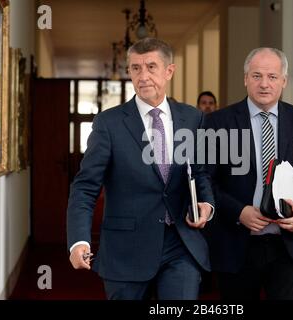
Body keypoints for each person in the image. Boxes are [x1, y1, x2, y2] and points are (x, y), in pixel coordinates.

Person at [67, 37, 215, 300]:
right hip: (126, 249)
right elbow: (85, 187)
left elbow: (200, 172)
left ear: (169, 71)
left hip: (181, 244)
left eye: (151, 67)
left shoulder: (192, 118)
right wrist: (79, 240)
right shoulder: (108, 123)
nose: (143, 76)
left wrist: (206, 204)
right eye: (135, 68)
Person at [203, 47, 293, 300]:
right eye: (257, 75)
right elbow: (206, 180)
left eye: (272, 77)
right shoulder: (219, 122)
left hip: (290, 247)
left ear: (284, 81)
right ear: (245, 79)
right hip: (237, 245)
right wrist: (239, 212)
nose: (264, 84)